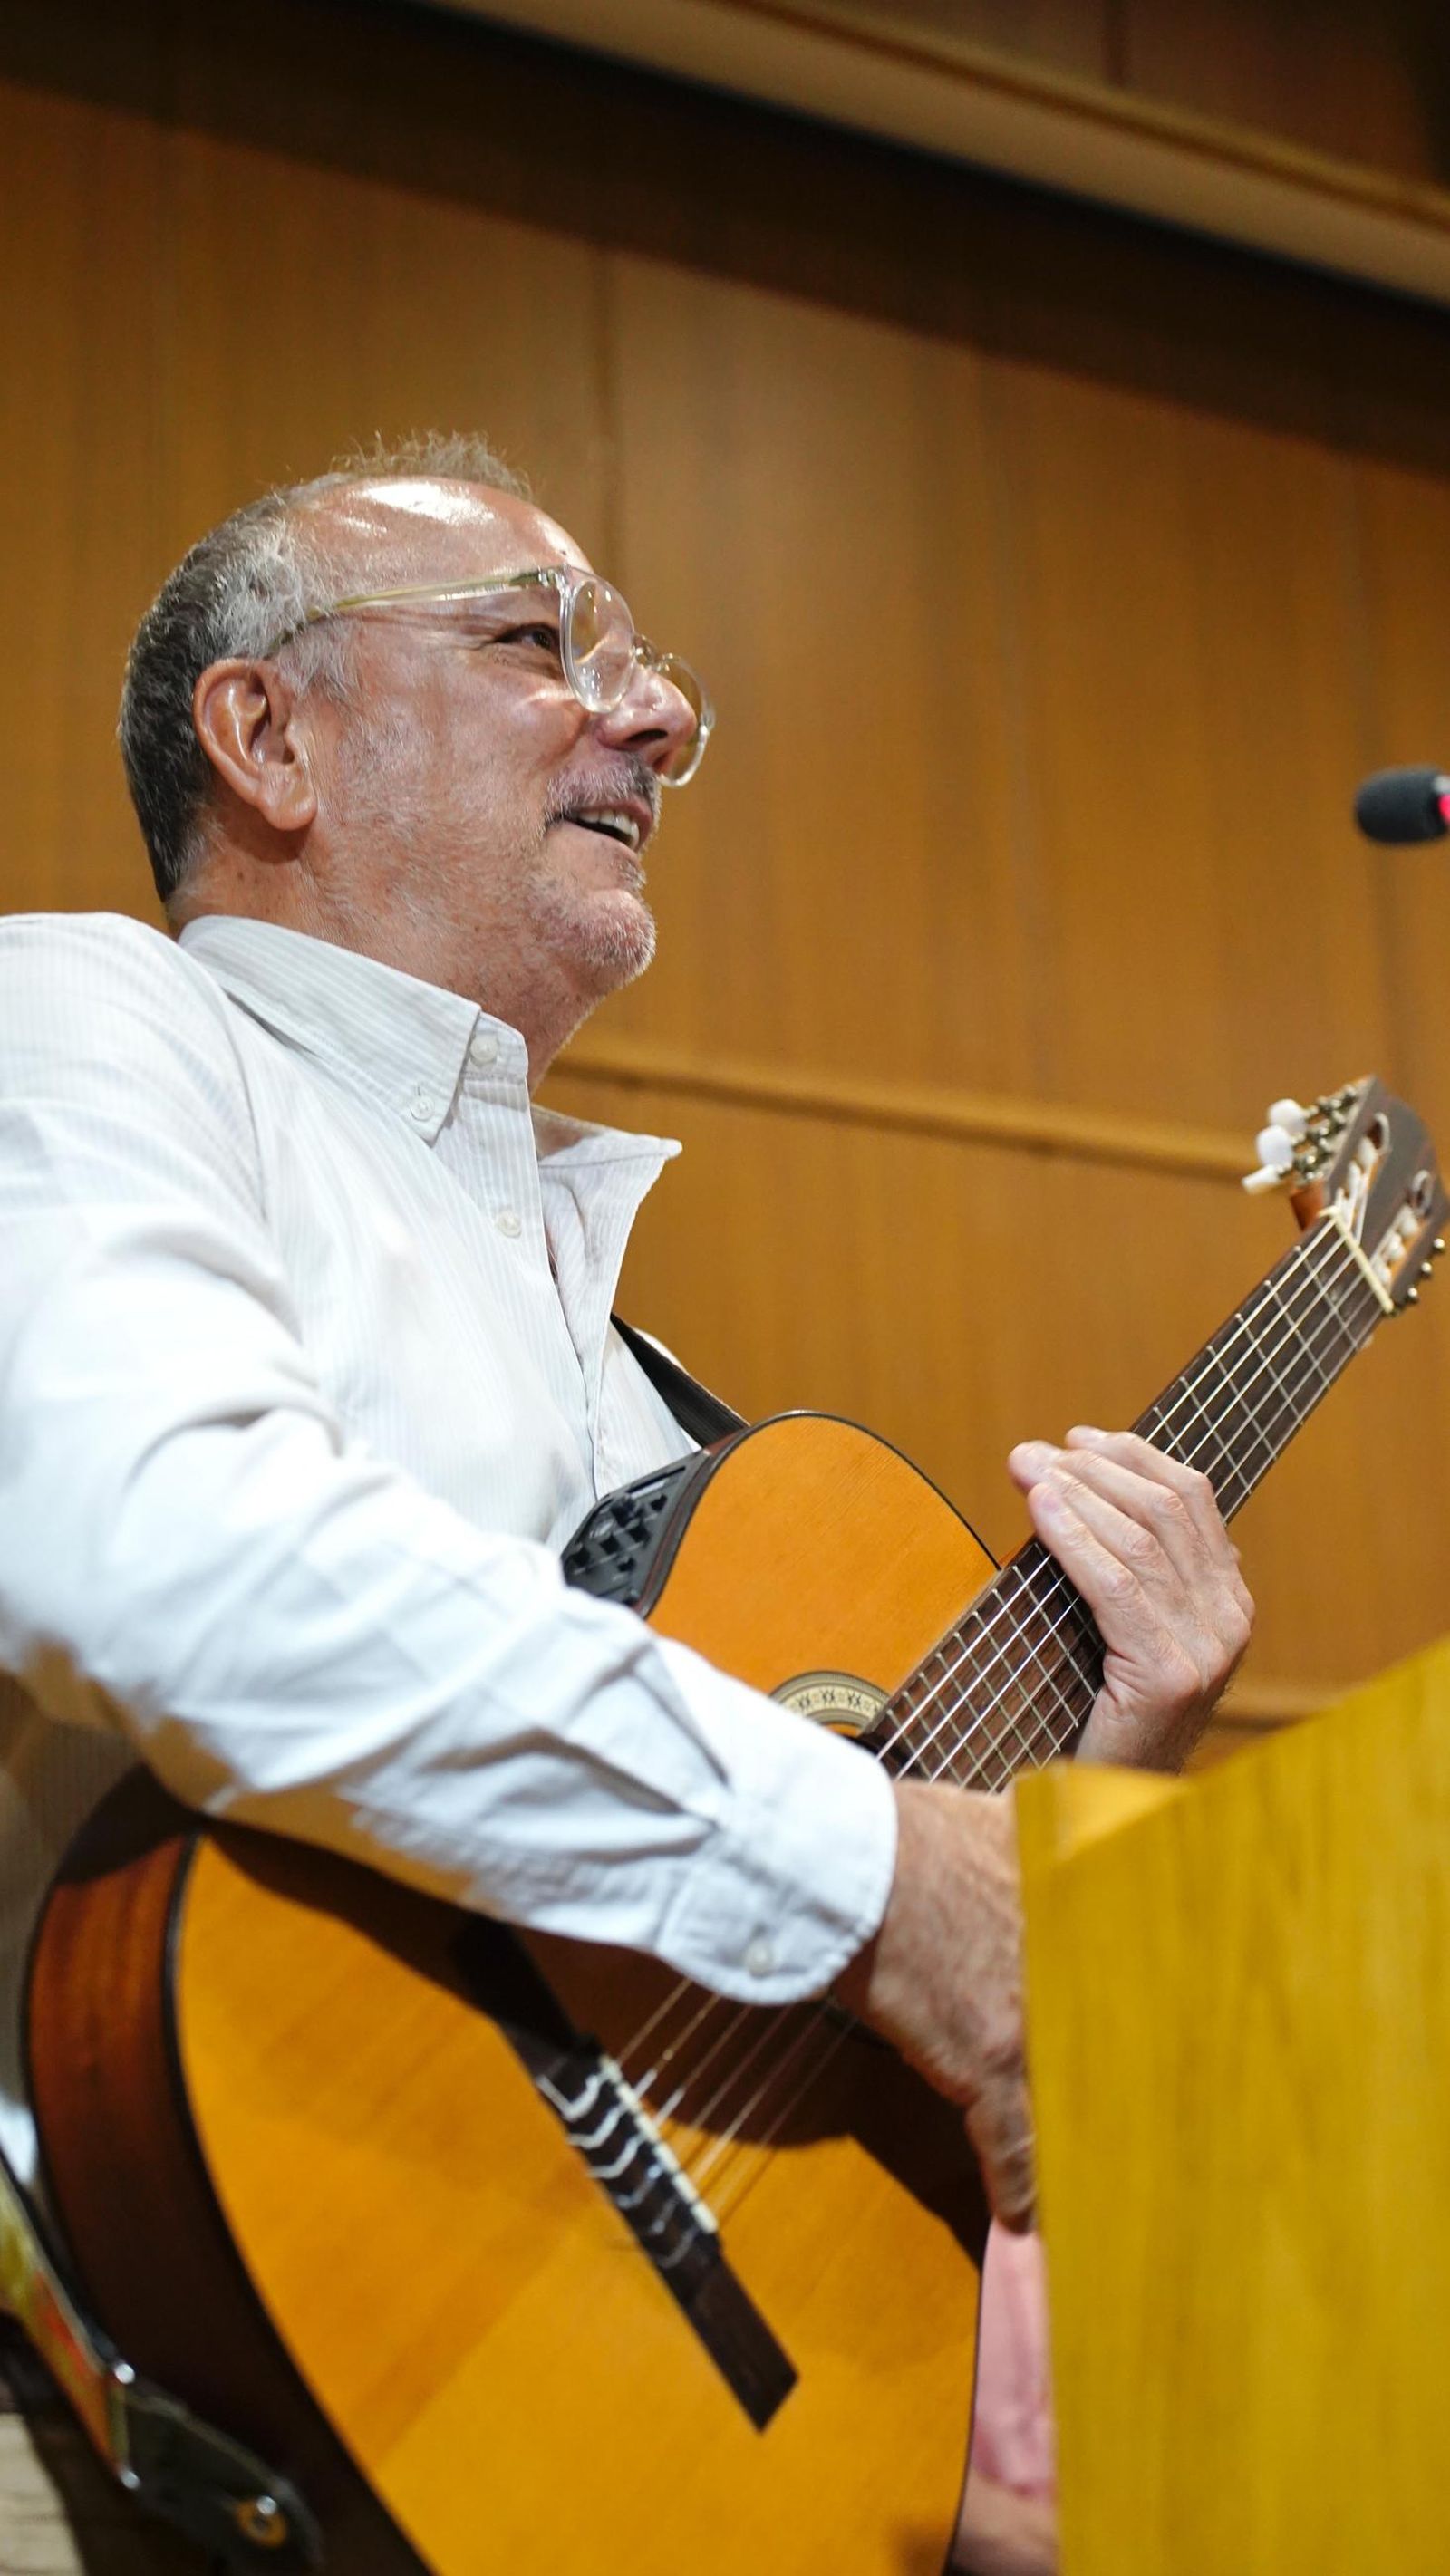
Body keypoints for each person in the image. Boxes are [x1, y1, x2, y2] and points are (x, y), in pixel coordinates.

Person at [0, 432, 1252, 2568]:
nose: (657, 715)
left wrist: (1086, 1785)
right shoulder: (81, 1016)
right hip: (96, 2421)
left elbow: (781, 2014)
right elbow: (155, 1535)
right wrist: (881, 1871)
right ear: (268, 738)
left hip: (570, 2452)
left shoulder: (632, 1369)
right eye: (536, 642)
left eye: (652, 671)